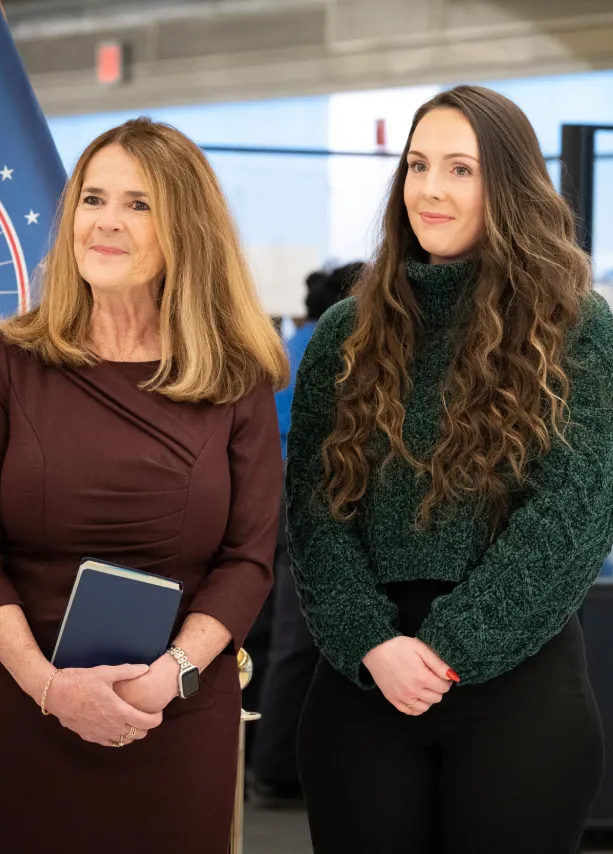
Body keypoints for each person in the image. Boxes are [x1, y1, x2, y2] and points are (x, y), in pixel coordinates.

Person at [286, 84, 613, 853]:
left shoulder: (571, 322)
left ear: (507, 185)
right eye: (417, 165)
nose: (430, 189)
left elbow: (576, 511)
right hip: (361, 679)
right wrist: (371, 642)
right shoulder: (346, 331)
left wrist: (450, 650)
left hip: (518, 686)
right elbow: (313, 512)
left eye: (461, 169)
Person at [0, 118, 287, 853]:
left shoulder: (236, 375)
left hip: (170, 713)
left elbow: (249, 560)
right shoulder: (1, 360)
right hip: (16, 701)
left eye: (139, 204)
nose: (107, 223)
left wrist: (169, 676)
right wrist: (49, 688)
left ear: (184, 228)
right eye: (93, 199)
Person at [248, 260, 365, 805]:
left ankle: (256, 753)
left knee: (267, 630)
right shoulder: (337, 348)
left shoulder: (291, 342)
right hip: (304, 495)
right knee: (300, 634)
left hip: (265, 493)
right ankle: (278, 765)